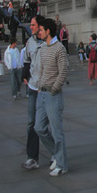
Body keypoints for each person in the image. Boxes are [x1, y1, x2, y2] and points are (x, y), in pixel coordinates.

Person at [33, 16, 69, 177]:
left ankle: (62, 165)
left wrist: (54, 88)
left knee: (57, 131)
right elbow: (41, 69)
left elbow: (63, 71)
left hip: (53, 95)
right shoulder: (43, 48)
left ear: (48, 31)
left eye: (41, 30)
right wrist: (40, 85)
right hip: (42, 93)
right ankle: (56, 153)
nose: (38, 32)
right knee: (39, 128)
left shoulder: (59, 48)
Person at [21, 17, 43, 169]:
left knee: (47, 125)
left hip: (47, 89)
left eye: (33, 24)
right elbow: (27, 60)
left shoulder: (50, 42)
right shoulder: (30, 42)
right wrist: (25, 74)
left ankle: (56, 154)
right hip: (33, 87)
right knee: (31, 123)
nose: (30, 26)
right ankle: (32, 157)